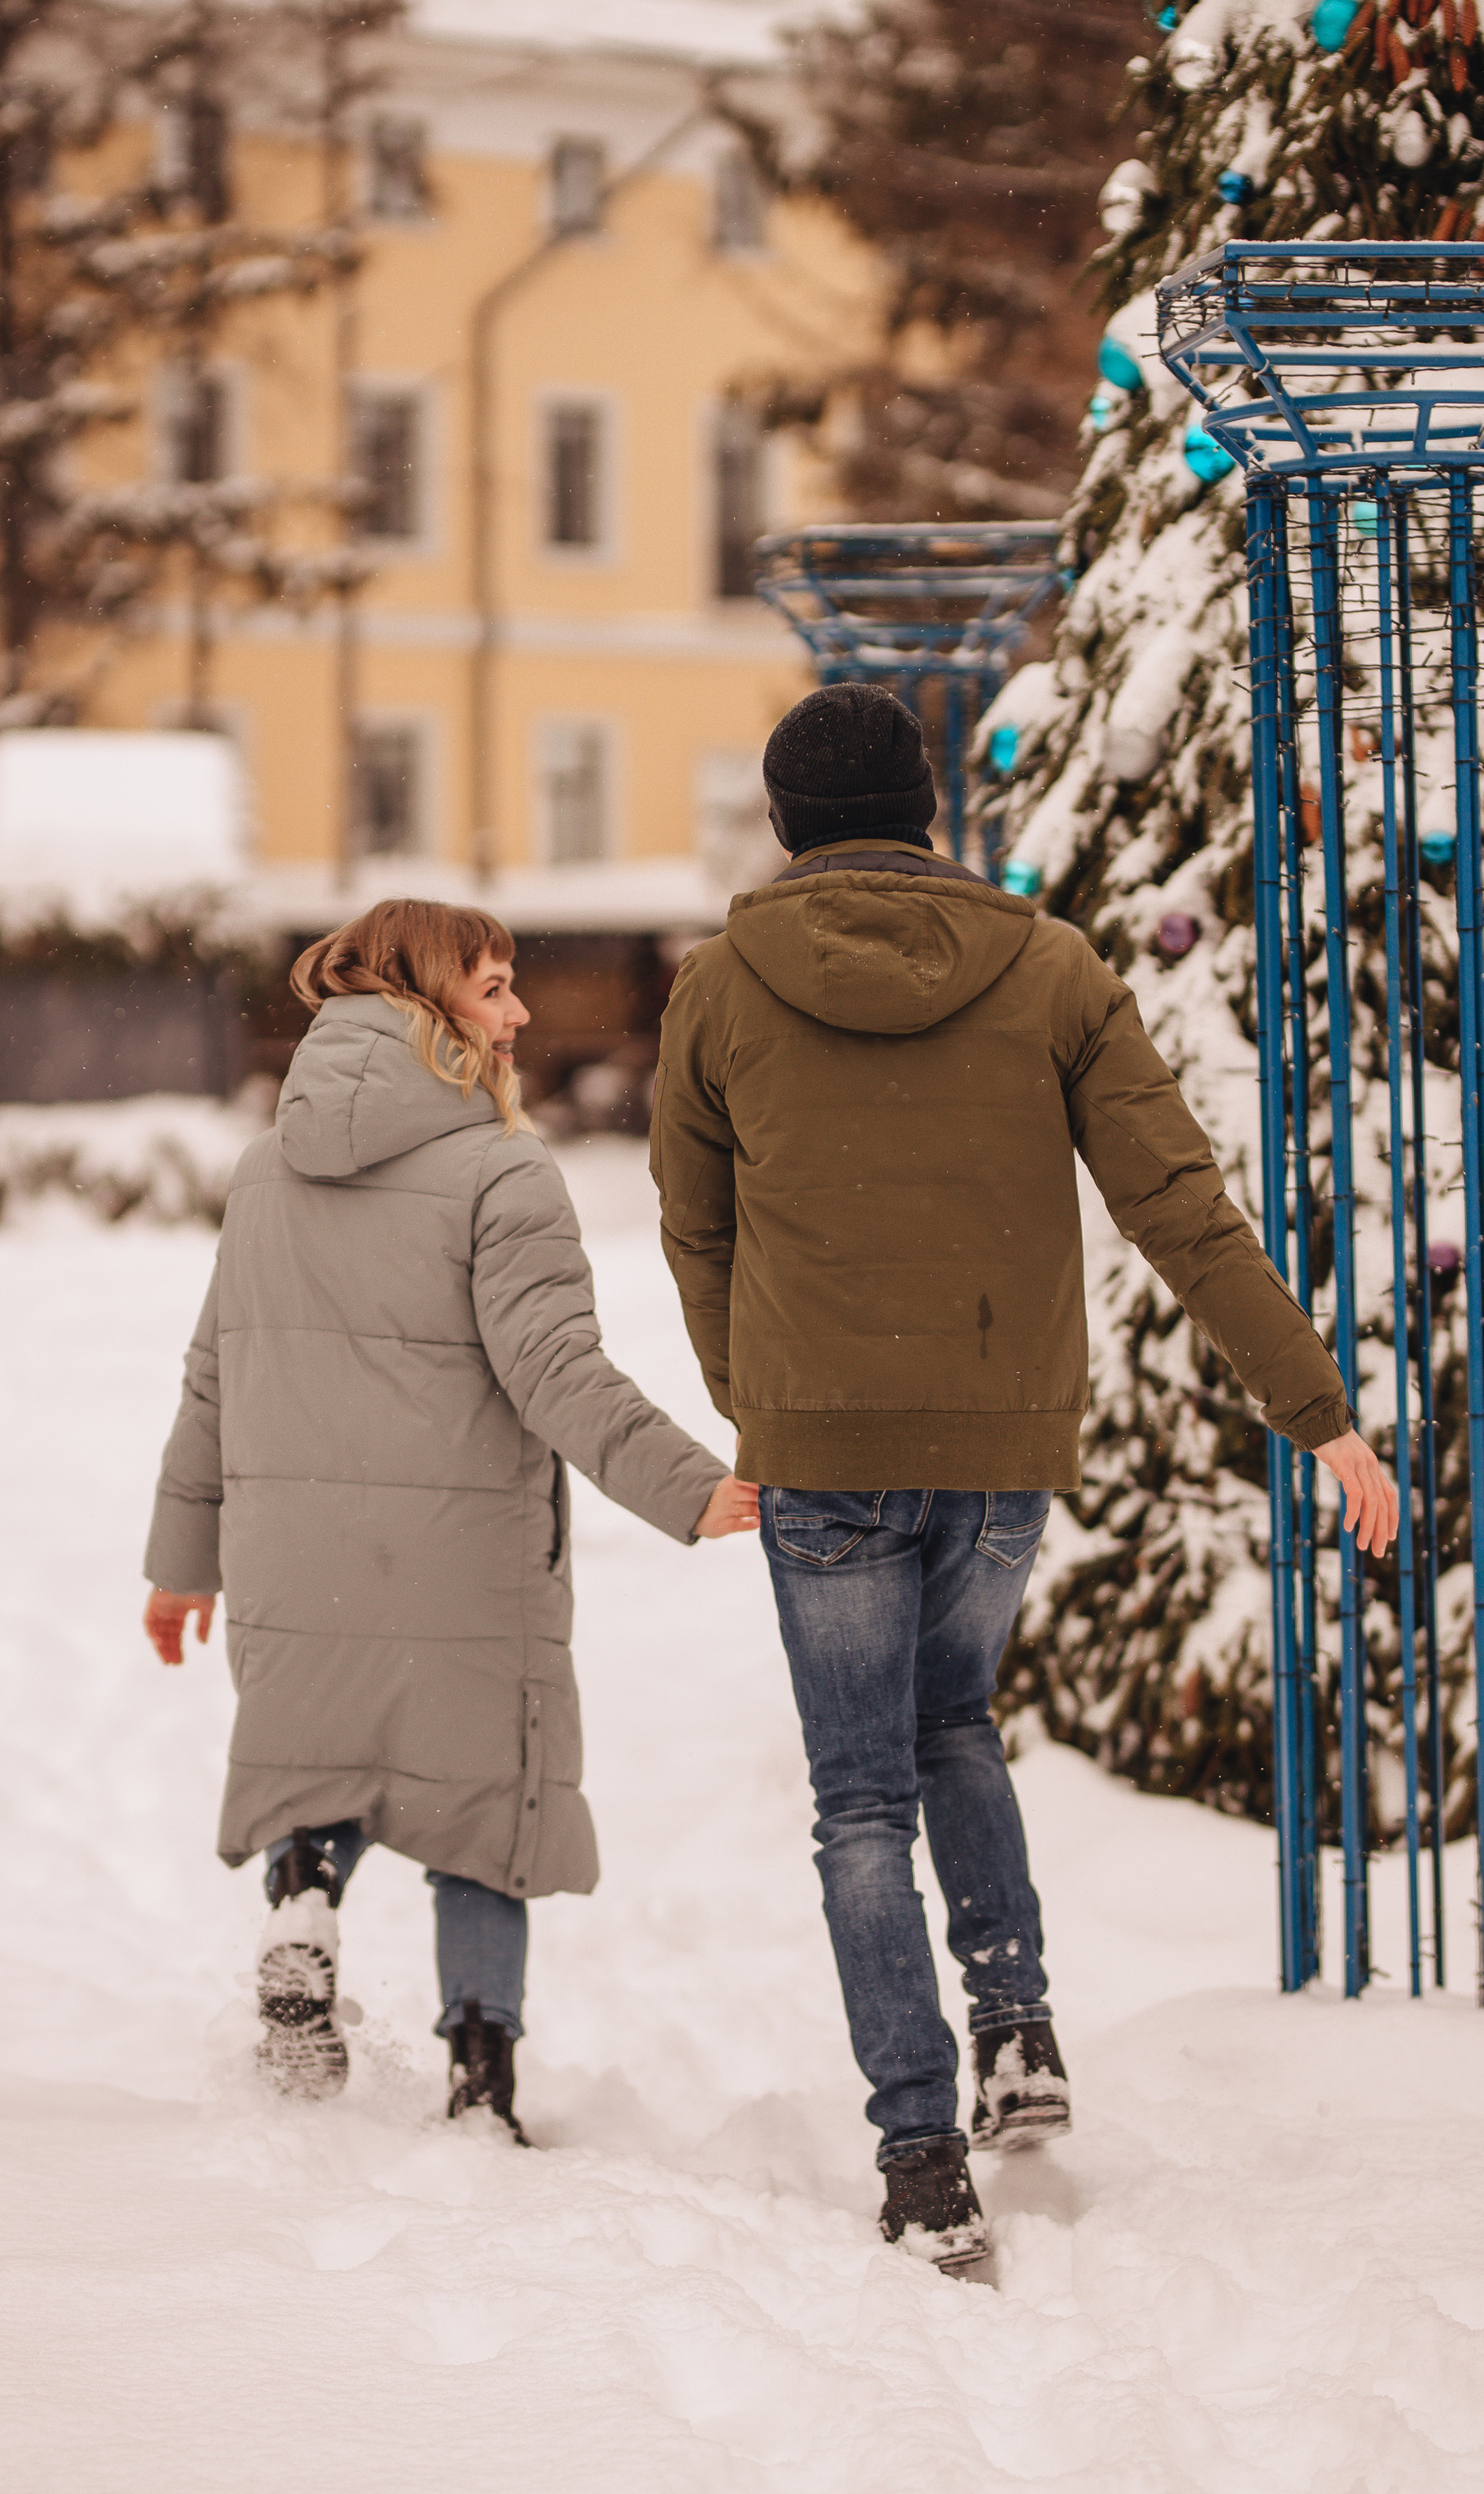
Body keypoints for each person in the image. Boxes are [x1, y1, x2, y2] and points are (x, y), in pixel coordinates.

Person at [651, 685, 1397, 2272]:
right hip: (999, 1439)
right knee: (953, 1723)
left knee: (859, 1795)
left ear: (782, 822)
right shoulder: (1050, 969)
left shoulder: (716, 991)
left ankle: (921, 2159)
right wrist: (1314, 1411)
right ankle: (1015, 2029)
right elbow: (1176, 1207)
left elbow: (692, 1228)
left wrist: (763, 1404)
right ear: (928, 809)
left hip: (825, 1447)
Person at [144, 899, 757, 2134]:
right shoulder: (500, 1167)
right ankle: (482, 2079)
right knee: (484, 1809)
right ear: (431, 1007)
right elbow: (556, 1370)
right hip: (459, 1556)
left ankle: (306, 1900)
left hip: (293, 1555)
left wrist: (181, 1563)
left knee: (323, 1765)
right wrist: (691, 1486)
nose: (521, 1013)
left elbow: (216, 1370)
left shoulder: (267, 1168)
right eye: (493, 989)